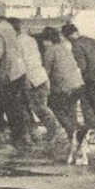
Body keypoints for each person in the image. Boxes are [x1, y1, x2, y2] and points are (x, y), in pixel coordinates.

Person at [0, 3, 31, 147]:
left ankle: (3, 137)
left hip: (7, 73)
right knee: (15, 105)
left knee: (1, 104)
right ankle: (22, 137)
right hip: (19, 71)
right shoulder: (8, 26)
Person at [12, 17, 65, 146]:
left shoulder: (18, 42)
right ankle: (44, 132)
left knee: (38, 108)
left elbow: (23, 62)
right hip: (40, 76)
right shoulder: (30, 39)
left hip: (31, 78)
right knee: (34, 107)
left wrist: (26, 79)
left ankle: (56, 132)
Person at [38, 27, 84, 154]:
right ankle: (75, 138)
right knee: (70, 110)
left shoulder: (50, 50)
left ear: (47, 40)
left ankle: (74, 132)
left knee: (54, 106)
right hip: (78, 84)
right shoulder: (64, 47)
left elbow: (45, 71)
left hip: (65, 86)